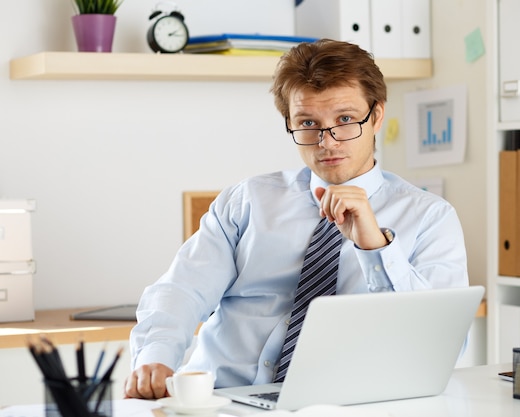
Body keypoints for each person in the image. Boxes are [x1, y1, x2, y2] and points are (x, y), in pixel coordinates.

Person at [124, 38, 469, 400]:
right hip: (226, 401)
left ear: (377, 116)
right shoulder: (247, 201)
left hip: (347, 405)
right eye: (308, 123)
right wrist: (155, 358)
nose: (328, 142)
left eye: (346, 120)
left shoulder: (431, 218)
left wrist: (376, 246)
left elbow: (441, 344)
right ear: (289, 123)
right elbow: (182, 289)